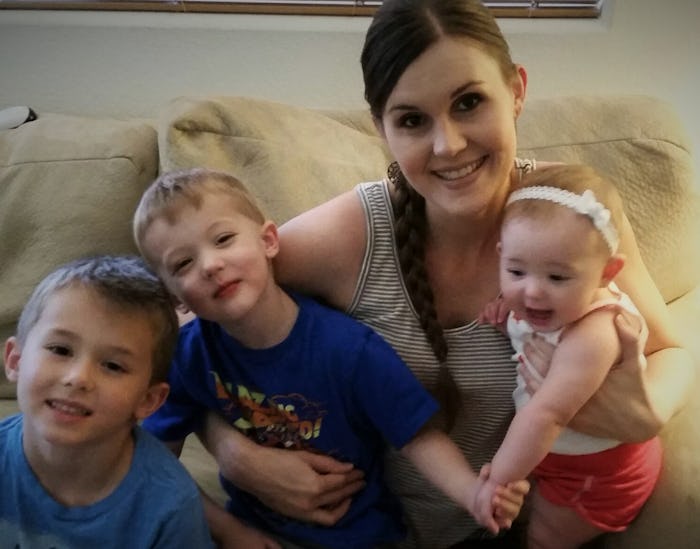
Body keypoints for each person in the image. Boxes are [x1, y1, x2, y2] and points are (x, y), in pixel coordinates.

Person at [198, 1, 695, 547]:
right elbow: (171, 322)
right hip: (367, 529)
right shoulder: (352, 234)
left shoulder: (573, 211)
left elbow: (671, 349)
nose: (448, 145)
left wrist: (647, 413)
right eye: (412, 120)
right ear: (381, 128)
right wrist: (232, 452)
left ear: (517, 91)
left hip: (522, 527)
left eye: (469, 102)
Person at [132, 167, 530, 549]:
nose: (210, 265)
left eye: (223, 239)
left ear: (269, 240)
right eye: (183, 263)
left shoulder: (348, 349)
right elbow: (153, 457)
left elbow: (419, 437)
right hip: (251, 530)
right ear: (175, 298)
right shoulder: (187, 356)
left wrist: (474, 494)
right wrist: (227, 529)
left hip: (357, 536)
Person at [477, 164, 663, 548]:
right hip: (555, 453)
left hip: (599, 475)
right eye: (515, 271)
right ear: (501, 256)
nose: (532, 293)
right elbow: (533, 338)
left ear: (606, 274)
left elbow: (548, 413)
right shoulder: (544, 306)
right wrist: (505, 322)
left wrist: (497, 481)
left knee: (545, 538)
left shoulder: (597, 331)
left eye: (557, 278)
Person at [0, 255, 214, 548]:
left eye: (113, 366)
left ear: (149, 400)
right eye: (60, 349)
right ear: (15, 360)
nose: (78, 378)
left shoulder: (170, 506)